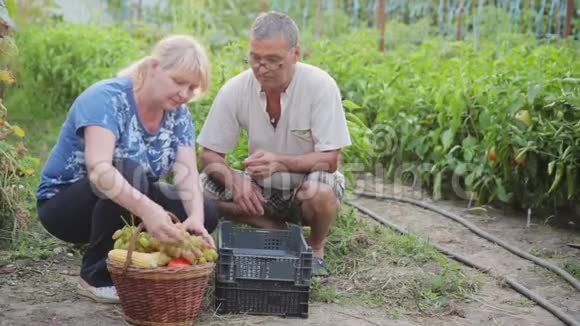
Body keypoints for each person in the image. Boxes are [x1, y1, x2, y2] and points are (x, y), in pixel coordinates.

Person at [35, 34, 218, 303]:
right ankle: (94, 277)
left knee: (206, 210)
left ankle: (142, 259)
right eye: (178, 81)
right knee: (129, 171)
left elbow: (187, 173)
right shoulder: (106, 98)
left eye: (192, 88)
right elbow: (99, 170)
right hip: (66, 207)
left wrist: (196, 219)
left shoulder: (179, 115)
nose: (184, 93)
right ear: (154, 67)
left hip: (127, 197)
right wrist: (149, 210)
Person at [197, 11, 351, 278]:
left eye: (273, 60)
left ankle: (315, 249)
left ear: (295, 54)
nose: (261, 67)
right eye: (255, 58)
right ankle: (273, 226)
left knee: (321, 192)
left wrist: (280, 162)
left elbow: (330, 159)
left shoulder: (320, 86)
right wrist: (235, 180)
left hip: (304, 186)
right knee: (197, 189)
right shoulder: (236, 89)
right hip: (261, 190)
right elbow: (209, 153)